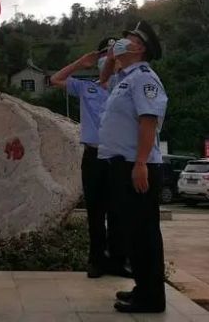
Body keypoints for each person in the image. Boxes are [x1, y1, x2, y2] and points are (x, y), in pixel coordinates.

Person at [98, 20, 168, 313]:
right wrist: (112, 58)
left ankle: (151, 298)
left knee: (144, 232)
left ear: (139, 47)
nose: (122, 40)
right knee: (132, 231)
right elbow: (103, 79)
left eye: (129, 38)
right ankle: (143, 288)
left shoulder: (144, 78)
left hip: (137, 165)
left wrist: (140, 163)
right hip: (122, 164)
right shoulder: (123, 77)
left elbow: (148, 120)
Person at [50, 37, 130, 279]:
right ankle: (96, 260)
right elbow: (55, 80)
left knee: (118, 211)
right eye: (105, 54)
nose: (109, 58)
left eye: (113, 53)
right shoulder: (88, 88)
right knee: (95, 212)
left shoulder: (125, 85)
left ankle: (118, 260)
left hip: (118, 157)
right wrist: (78, 63)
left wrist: (121, 65)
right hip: (94, 155)